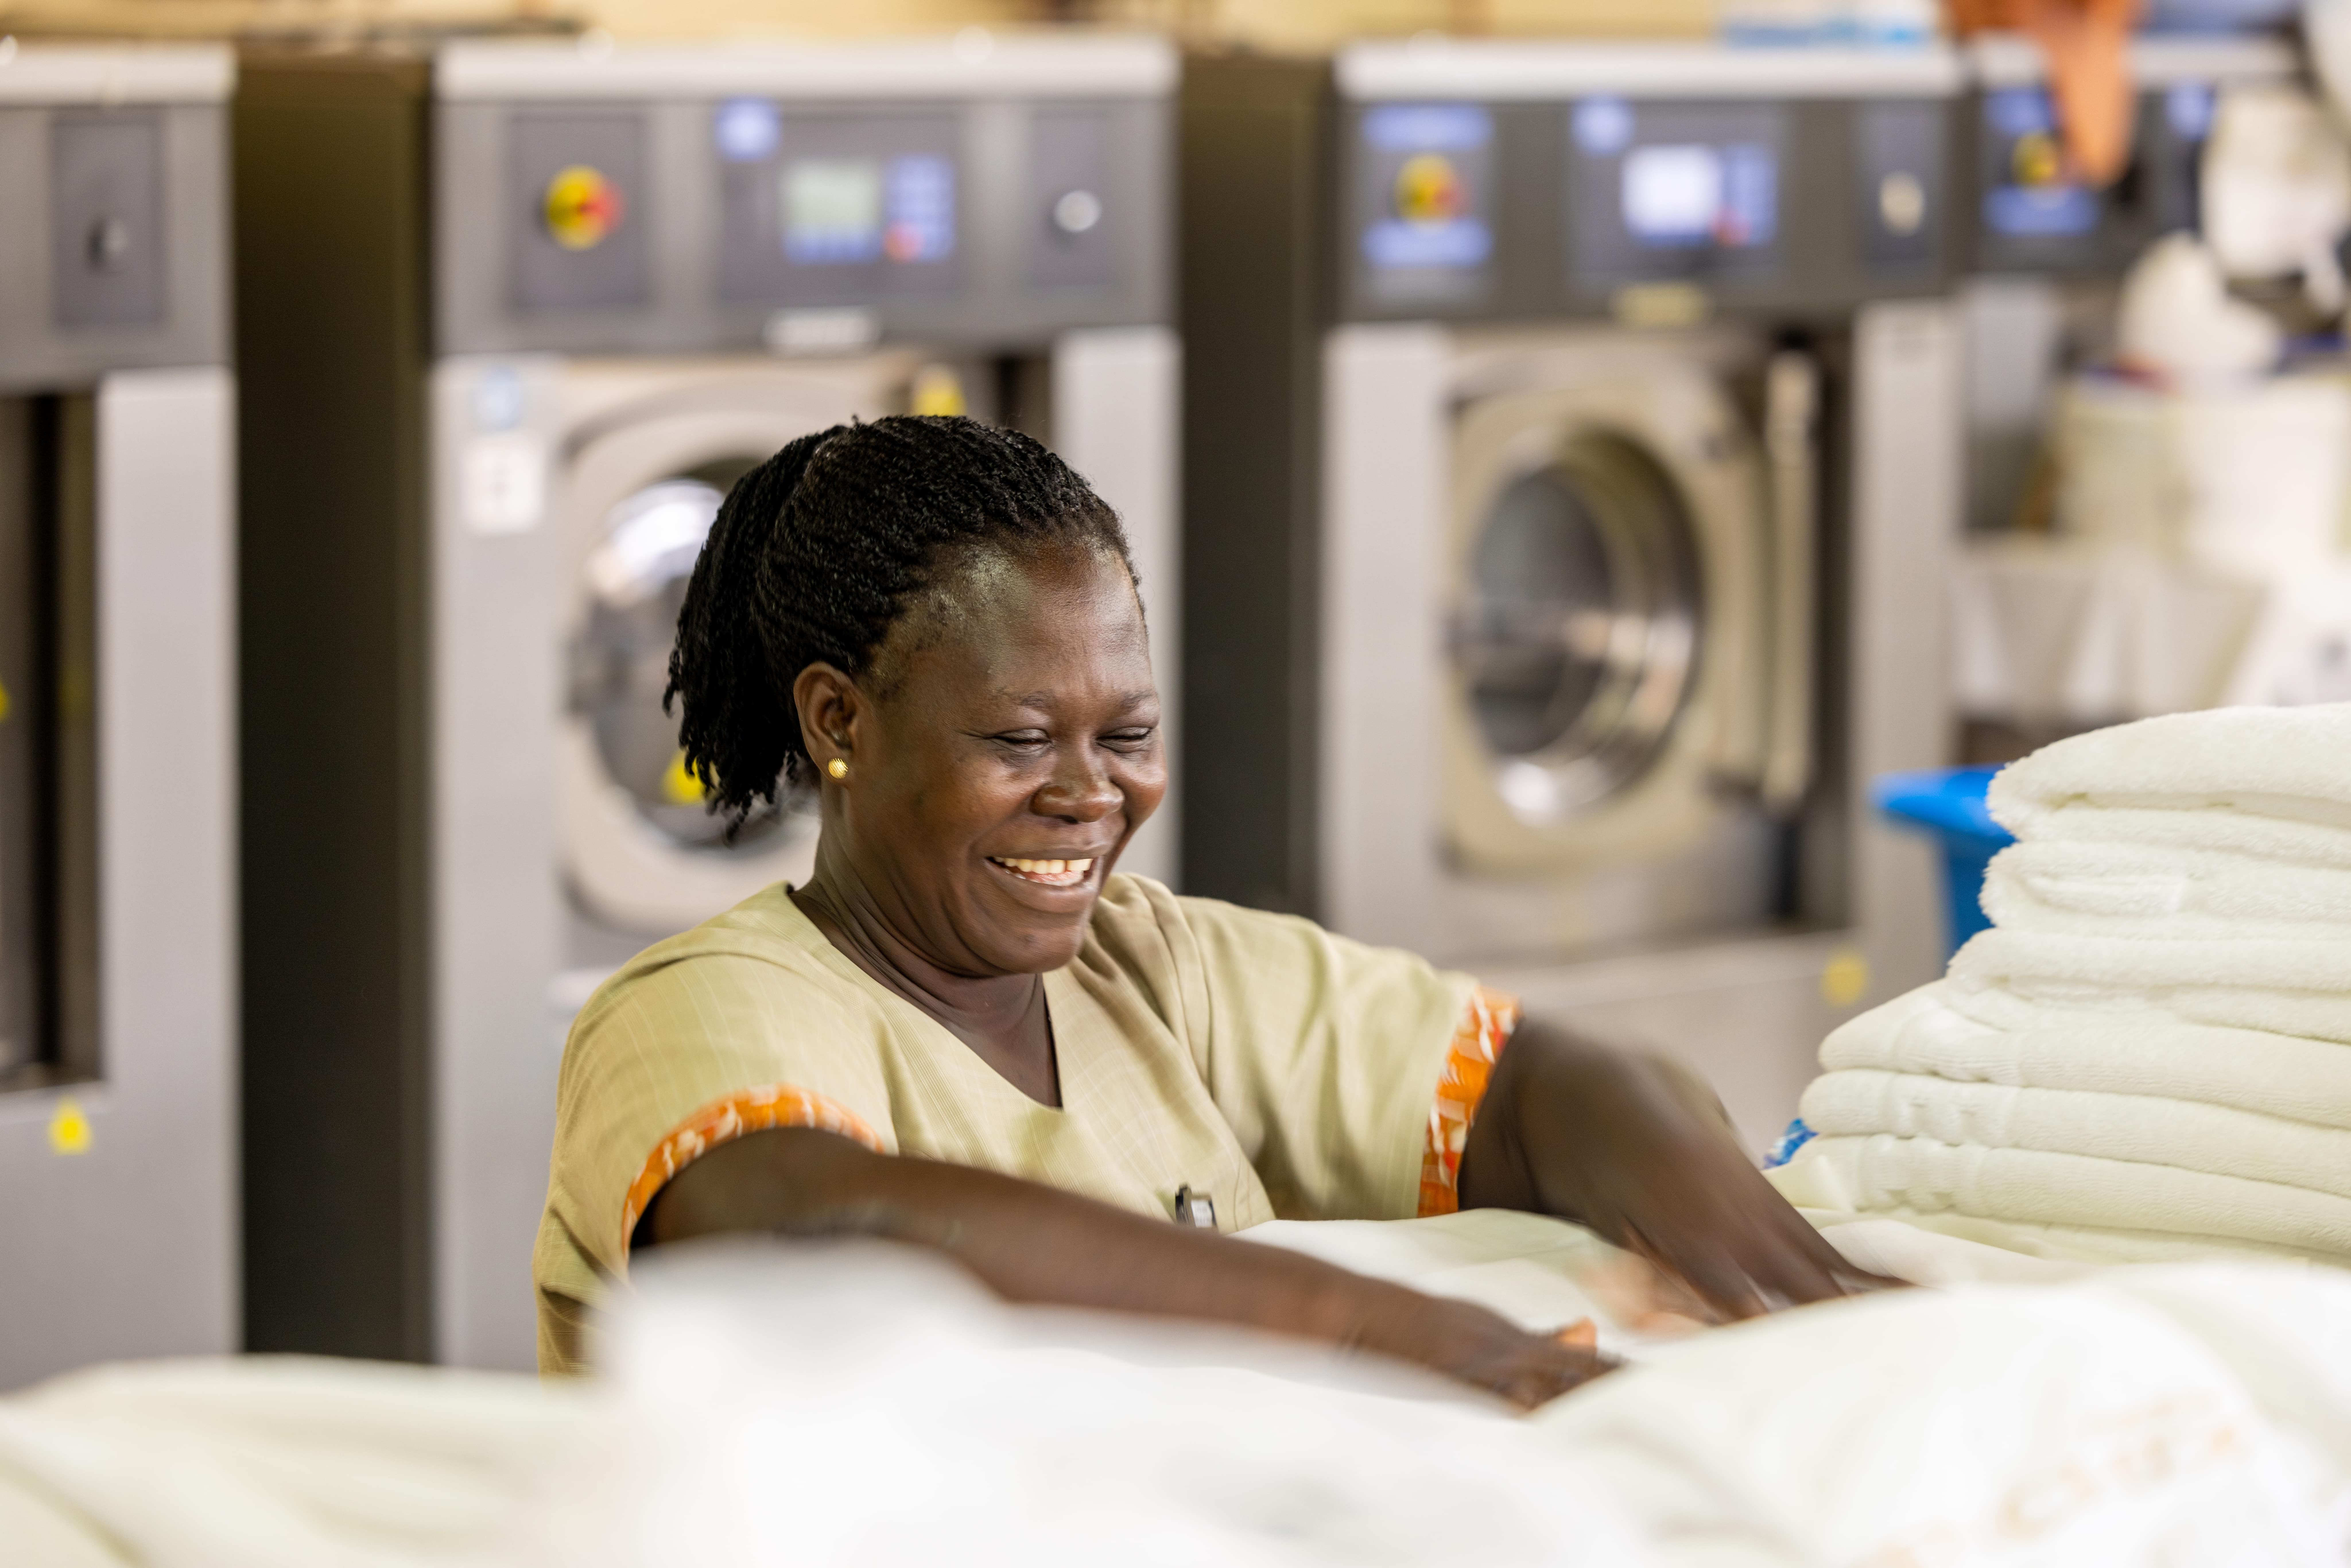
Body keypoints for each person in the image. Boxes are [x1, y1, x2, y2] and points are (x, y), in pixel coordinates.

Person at [534, 415, 1866, 1400]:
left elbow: (1531, 1080)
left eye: (1128, 733)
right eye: (1017, 738)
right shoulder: (702, 1007)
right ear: (839, 721)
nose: (1090, 794)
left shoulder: (1153, 969)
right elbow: (828, 1227)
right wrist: (1393, 1338)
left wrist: (1777, 1278)